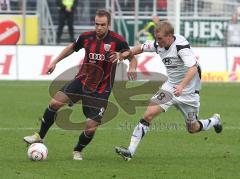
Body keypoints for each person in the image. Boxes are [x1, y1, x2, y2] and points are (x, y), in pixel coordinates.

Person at [24, 9, 137, 160]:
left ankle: (77, 150)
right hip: (81, 81)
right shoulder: (86, 37)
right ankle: (40, 136)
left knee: (91, 127)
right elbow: (72, 47)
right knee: (55, 103)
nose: (99, 27)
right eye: (96, 24)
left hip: (100, 90)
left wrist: (132, 67)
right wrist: (54, 62)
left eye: (102, 25)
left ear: (108, 24)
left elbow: (131, 56)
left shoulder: (117, 40)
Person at [114, 21, 223, 161]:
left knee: (193, 128)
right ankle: (130, 152)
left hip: (188, 92)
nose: (157, 42)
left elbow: (193, 68)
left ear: (170, 36)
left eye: (160, 39)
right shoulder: (158, 44)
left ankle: (214, 120)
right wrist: (125, 54)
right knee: (148, 114)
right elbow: (141, 48)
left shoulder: (181, 47)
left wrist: (182, 86)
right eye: (156, 38)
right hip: (170, 88)